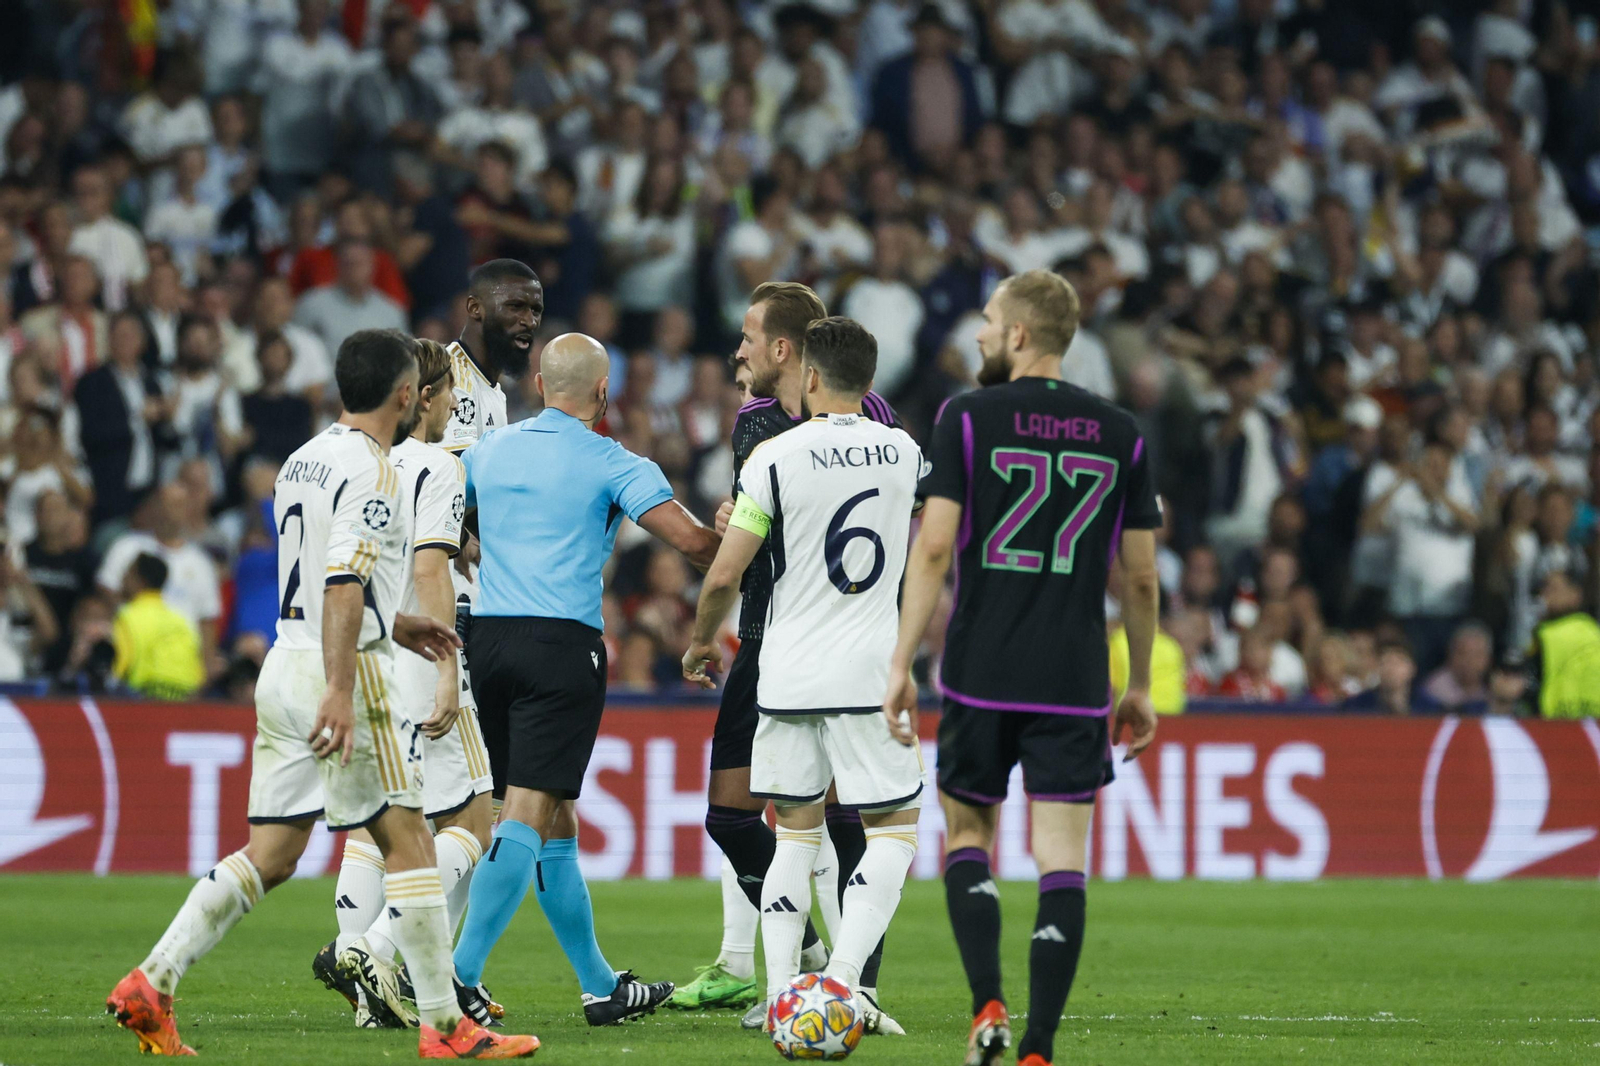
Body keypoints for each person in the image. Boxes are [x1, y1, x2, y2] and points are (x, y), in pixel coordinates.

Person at [105, 329, 536, 1059]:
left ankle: (153, 980)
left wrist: (396, 622)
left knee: (271, 853)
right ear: (407, 393)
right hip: (344, 674)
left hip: (285, 665)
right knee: (410, 845)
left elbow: (323, 575)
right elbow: (340, 583)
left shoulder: (301, 460)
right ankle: (445, 1026)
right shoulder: (376, 471)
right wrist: (343, 685)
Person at [882, 270, 1160, 1066]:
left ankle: (987, 1005)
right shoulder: (1123, 433)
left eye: (989, 320)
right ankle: (1038, 1047)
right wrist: (1138, 681)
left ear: (1019, 336)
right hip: (1075, 681)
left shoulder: (967, 418)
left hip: (980, 669)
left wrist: (901, 660)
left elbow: (933, 544)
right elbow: (1139, 577)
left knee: (967, 832)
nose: (977, 333)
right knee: (1061, 855)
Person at [451, 332, 720, 1025]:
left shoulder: (488, 450)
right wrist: (750, 550)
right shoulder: (613, 460)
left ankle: (601, 986)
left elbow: (447, 520)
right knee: (525, 815)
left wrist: (491, 549)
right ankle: (454, 979)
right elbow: (691, 542)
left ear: (539, 384)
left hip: (490, 641)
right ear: (603, 394)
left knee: (552, 815)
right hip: (560, 645)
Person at [673, 281, 903, 1029]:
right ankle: (815, 971)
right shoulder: (881, 437)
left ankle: (847, 985)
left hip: (794, 650)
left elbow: (738, 552)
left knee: (825, 823)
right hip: (795, 642)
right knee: (758, 818)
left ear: (793, 355)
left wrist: (738, 531)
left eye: (748, 337)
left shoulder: (783, 440)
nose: (737, 351)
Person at [319, 340, 497, 1029]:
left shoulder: (369, 461)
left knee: (379, 824)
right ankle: (373, 948)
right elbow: (430, 573)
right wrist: (450, 668)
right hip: (423, 658)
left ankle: (370, 993)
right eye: (449, 391)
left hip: (372, 658)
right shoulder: (441, 469)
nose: (458, 402)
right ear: (423, 397)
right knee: (473, 819)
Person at [111, 553, 203, 700]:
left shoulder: (128, 616)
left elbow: (119, 668)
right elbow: (197, 671)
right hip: (184, 701)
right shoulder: (181, 620)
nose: (122, 579)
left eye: (128, 574)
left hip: (144, 699)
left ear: (140, 581)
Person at [1526, 568, 1600, 719]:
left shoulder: (1546, 635)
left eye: (1553, 588)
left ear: (1575, 594)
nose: (1545, 594)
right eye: (1544, 588)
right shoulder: (1594, 633)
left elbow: (1529, 679)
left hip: (1554, 723)